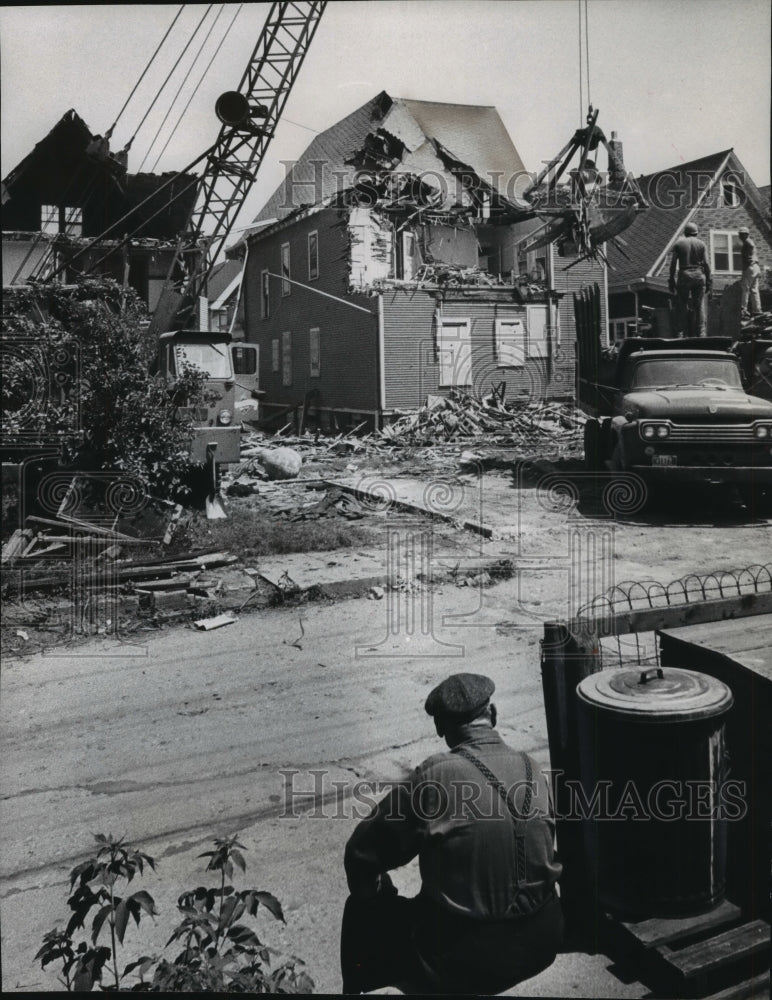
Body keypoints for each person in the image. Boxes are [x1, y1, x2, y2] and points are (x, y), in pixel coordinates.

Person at [340, 673, 564, 995]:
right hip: (544, 937)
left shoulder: (435, 776)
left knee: (360, 911)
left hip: (466, 955)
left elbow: (360, 854)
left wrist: (375, 895)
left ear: (440, 728)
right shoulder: (533, 768)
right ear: (494, 714)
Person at [669, 221, 712, 337]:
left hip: (685, 274)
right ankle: (702, 333)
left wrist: (671, 280)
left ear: (685, 233)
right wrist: (709, 280)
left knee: (681, 305)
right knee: (699, 305)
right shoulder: (702, 244)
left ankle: (680, 333)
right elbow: (707, 264)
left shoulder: (679, 244)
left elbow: (673, 265)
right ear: (696, 233)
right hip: (699, 274)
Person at [738, 226, 761, 319]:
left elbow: (750, 246)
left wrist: (747, 265)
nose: (740, 236)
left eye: (742, 234)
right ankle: (757, 310)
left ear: (746, 234)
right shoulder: (749, 242)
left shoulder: (747, 242)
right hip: (755, 267)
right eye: (740, 234)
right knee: (754, 290)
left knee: (745, 288)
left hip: (750, 267)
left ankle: (743, 309)